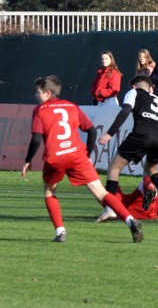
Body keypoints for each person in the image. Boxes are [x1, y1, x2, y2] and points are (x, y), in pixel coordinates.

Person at [22, 76, 143, 243]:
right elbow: (92, 131)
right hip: (77, 155)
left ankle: (60, 231)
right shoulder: (72, 106)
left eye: (38, 93)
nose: (36, 96)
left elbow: (36, 139)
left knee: (50, 191)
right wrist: (86, 154)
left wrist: (27, 160)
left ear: (47, 93)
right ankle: (130, 220)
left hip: (55, 157)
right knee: (101, 193)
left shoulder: (41, 110)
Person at [97, 75, 158, 223]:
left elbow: (125, 111)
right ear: (150, 88)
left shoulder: (134, 92)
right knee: (152, 169)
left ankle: (109, 209)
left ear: (135, 86)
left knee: (114, 168)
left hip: (142, 134)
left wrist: (109, 133)